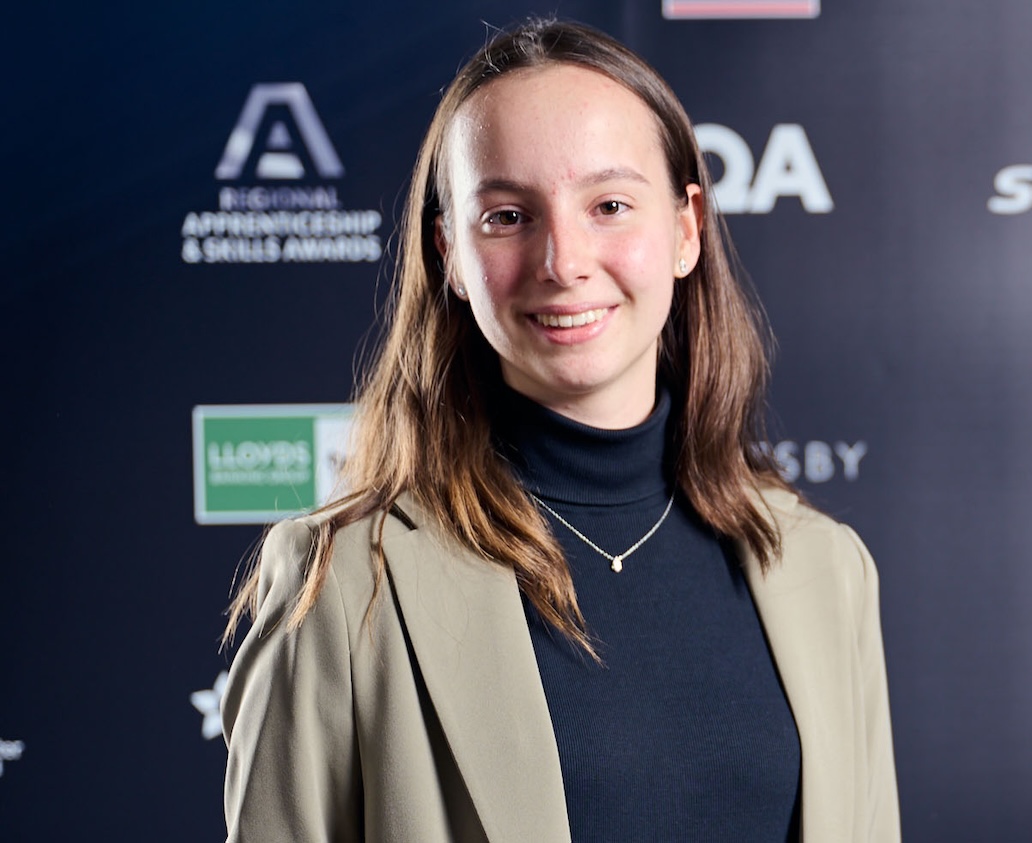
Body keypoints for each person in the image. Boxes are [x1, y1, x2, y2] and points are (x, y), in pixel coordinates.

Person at [220, 18, 899, 843]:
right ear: (450, 253)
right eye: (508, 216)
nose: (563, 261)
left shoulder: (827, 568)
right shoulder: (346, 583)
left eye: (609, 205)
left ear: (686, 229)